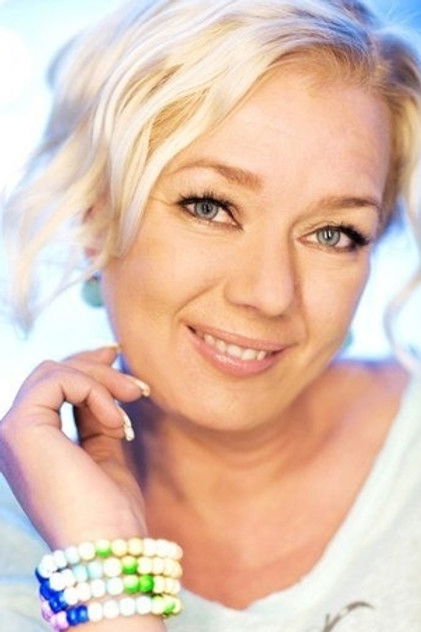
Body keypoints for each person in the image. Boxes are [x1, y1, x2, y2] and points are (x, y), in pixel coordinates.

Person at [0, 0, 420, 630]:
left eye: (333, 233)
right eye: (210, 206)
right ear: (95, 218)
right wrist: (100, 553)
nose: (270, 294)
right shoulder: (14, 544)